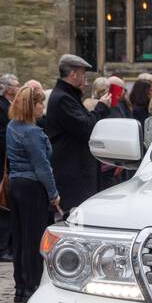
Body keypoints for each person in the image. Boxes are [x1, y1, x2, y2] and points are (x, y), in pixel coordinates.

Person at [7, 82, 61, 303]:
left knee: (19, 237)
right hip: (31, 186)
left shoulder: (12, 126)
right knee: (33, 239)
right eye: (40, 104)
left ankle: (21, 285)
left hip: (15, 184)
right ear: (33, 105)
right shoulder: (33, 132)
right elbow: (42, 166)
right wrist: (53, 193)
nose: (42, 108)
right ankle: (31, 285)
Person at [45, 54, 109, 214]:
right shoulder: (63, 99)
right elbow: (86, 127)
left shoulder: (68, 96)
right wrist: (101, 107)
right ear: (73, 74)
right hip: (73, 174)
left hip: (77, 170)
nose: (84, 78)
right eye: (82, 74)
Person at [0, 74, 18, 263]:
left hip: (8, 165)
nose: (19, 87)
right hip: (1, 166)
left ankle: (6, 246)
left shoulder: (8, 106)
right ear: (8, 89)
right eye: (16, 85)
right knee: (1, 206)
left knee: (8, 208)